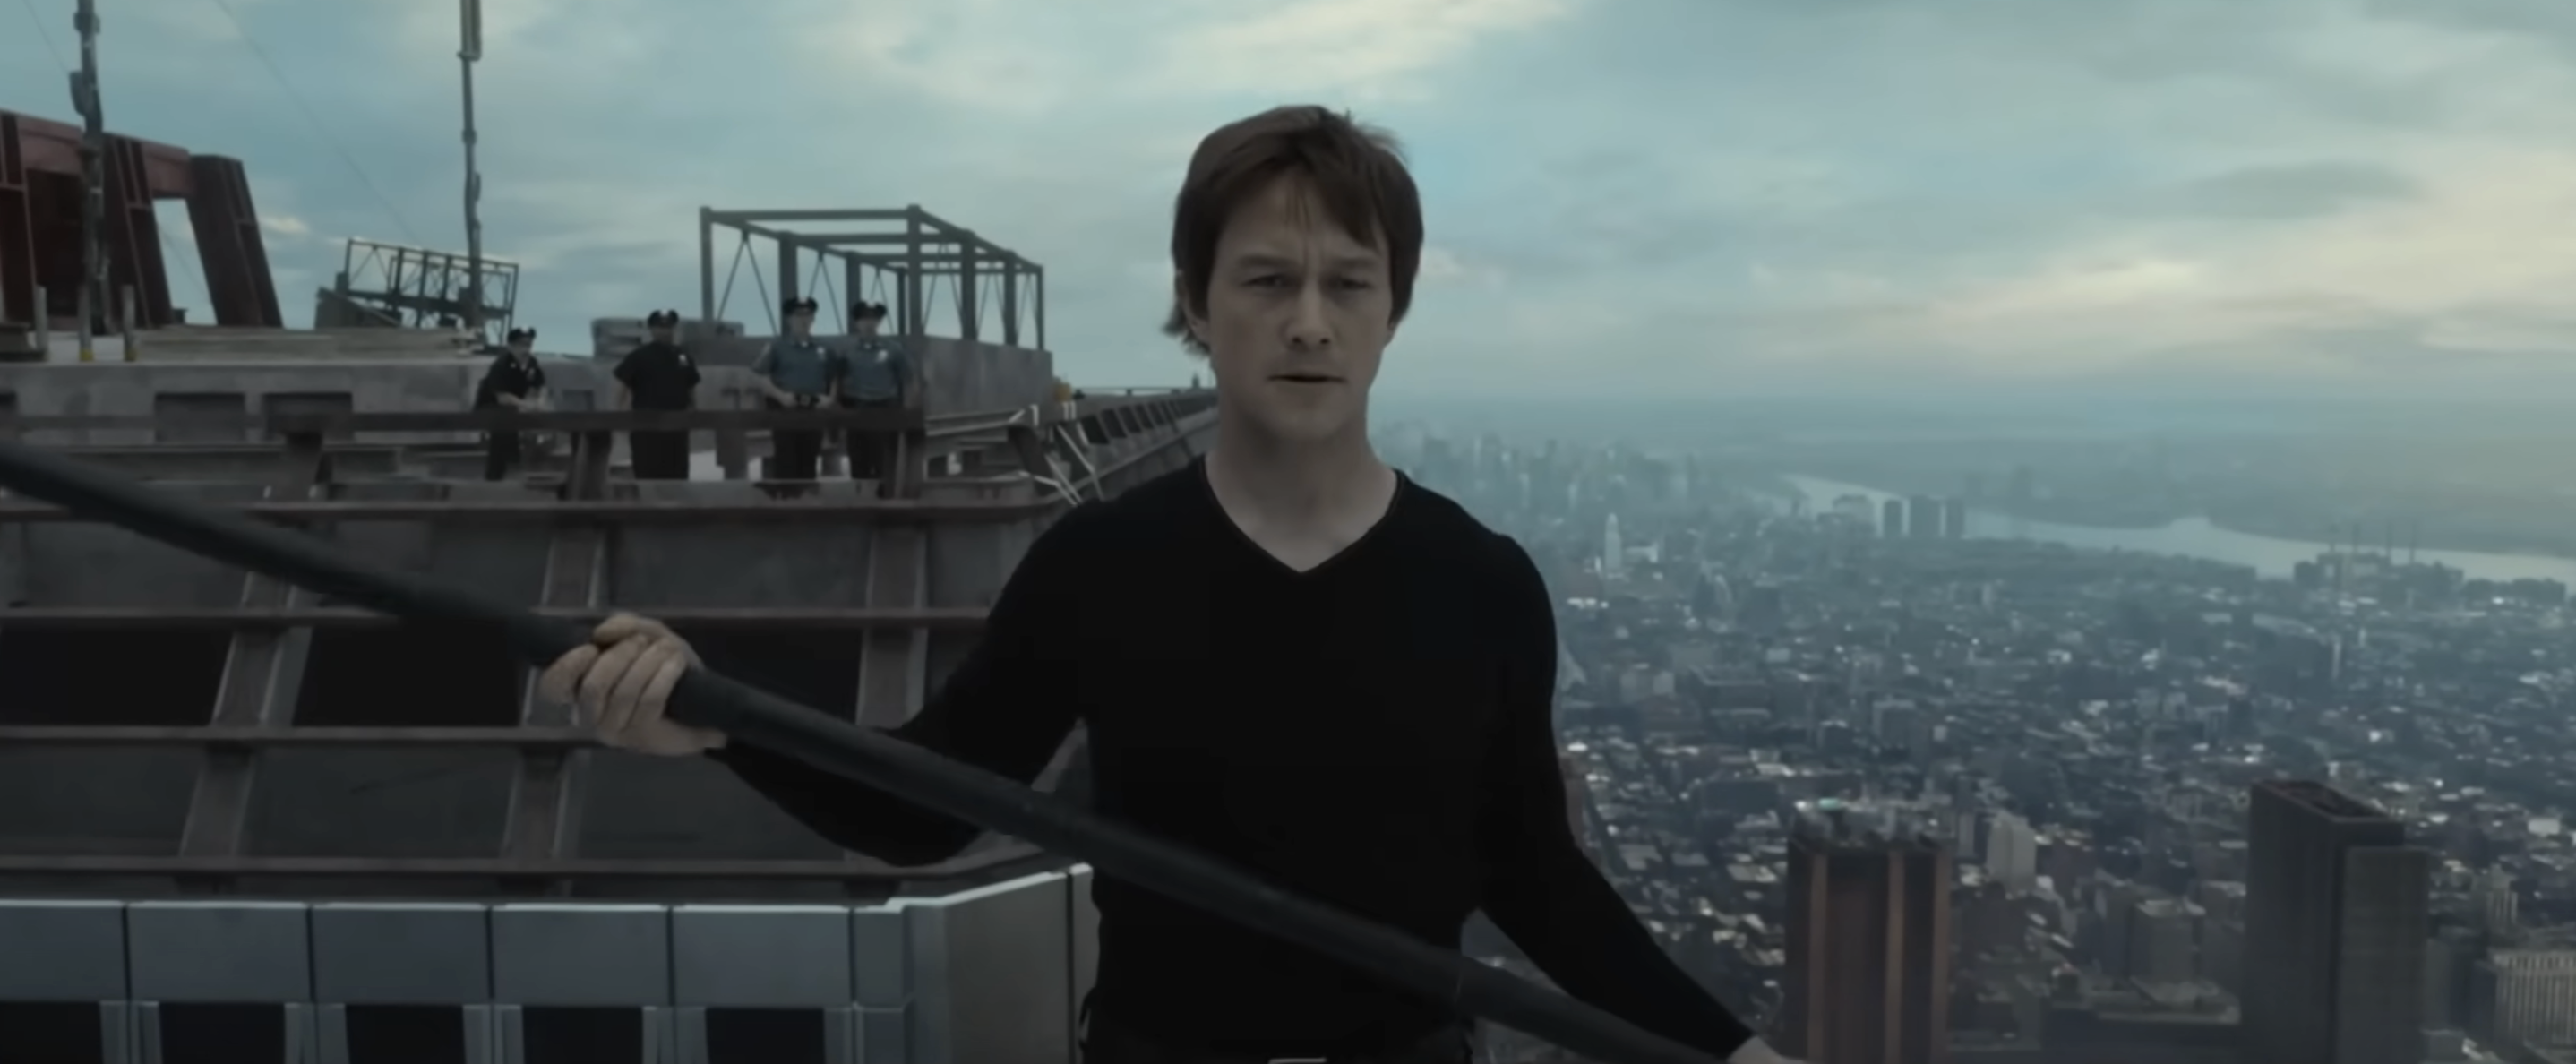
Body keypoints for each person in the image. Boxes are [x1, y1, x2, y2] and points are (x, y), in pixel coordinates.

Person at [538, 106, 1793, 1064]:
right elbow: (925, 801)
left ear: (1393, 311)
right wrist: (713, 717)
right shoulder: (1104, 564)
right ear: (1196, 305)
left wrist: (1729, 1051)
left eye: (1348, 283)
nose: (1310, 321)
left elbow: (1533, 876)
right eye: (1266, 281)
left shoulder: (1484, 584)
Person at [748, 296, 840, 480]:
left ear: (813, 319)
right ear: (789, 319)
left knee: (810, 459)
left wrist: (830, 399)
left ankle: (806, 502)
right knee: (785, 459)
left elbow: (835, 376)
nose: (803, 319)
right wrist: (780, 396)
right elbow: (758, 375)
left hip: (813, 410)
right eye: (798, 315)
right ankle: (786, 504)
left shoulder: (824, 349)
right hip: (785, 410)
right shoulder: (777, 347)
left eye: (808, 315)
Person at [613, 309, 701, 480]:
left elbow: (691, 385)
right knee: (647, 472)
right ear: (652, 330)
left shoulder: (682, 356)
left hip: (677, 426)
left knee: (678, 472)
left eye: (669, 327)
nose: (665, 331)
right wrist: (619, 414)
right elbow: (622, 385)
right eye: (660, 327)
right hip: (646, 426)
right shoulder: (639, 356)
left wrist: (695, 410)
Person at [839, 301, 912, 487]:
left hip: (886, 409)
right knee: (859, 463)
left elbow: (908, 379)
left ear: (879, 322)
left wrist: (907, 410)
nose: (869, 323)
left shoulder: (893, 349)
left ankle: (885, 507)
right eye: (864, 318)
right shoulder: (848, 351)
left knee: (885, 464)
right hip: (857, 410)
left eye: (873, 318)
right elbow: (837, 379)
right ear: (857, 322)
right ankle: (862, 506)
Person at [473, 326, 547, 482]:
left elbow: (540, 386)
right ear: (511, 346)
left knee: (524, 423)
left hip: (514, 408)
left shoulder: (532, 364)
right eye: (521, 344)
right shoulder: (501, 365)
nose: (526, 349)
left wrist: (539, 402)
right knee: (503, 425)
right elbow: (501, 396)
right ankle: (496, 474)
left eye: (529, 344)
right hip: (490, 407)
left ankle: (518, 465)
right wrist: (525, 405)